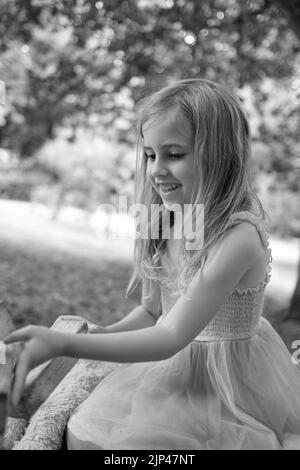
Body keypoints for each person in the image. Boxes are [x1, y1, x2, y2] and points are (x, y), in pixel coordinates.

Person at [5, 79, 300, 450]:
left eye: (174, 154)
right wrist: (106, 334)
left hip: (230, 385)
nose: (156, 169)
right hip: (175, 370)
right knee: (87, 431)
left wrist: (63, 344)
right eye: (149, 155)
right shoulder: (167, 216)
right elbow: (153, 310)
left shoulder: (237, 235)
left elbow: (169, 336)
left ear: (220, 155)